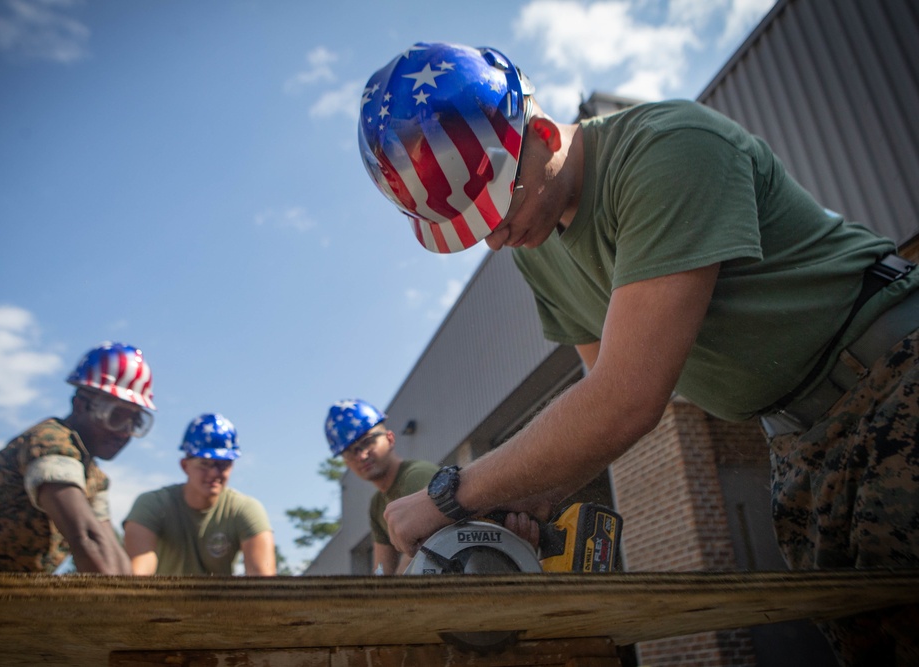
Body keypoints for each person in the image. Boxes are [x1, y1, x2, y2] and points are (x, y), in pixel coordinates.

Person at [357, 42, 919, 663]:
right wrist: (516, 501)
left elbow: (626, 399)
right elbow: (596, 417)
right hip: (798, 441)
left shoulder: (669, 149)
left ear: (540, 134)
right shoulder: (537, 249)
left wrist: (451, 493)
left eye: (498, 203)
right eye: (471, 224)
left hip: (894, 380)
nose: (493, 238)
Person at [0, 342, 156, 574]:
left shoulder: (94, 477)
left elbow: (110, 552)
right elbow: (85, 538)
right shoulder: (50, 443)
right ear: (81, 405)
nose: (124, 432)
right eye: (116, 416)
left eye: (135, 422)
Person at [123, 413, 275, 576]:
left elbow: (262, 577)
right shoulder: (152, 505)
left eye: (223, 465)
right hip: (161, 600)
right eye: (205, 464)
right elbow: (138, 573)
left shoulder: (245, 510)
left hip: (222, 601)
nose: (214, 473)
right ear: (185, 465)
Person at [325, 399, 438, 574]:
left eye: (367, 442)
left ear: (390, 439)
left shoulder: (416, 477)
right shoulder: (377, 505)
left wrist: (388, 598)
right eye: (350, 451)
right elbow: (381, 570)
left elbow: (421, 553)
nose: (361, 456)